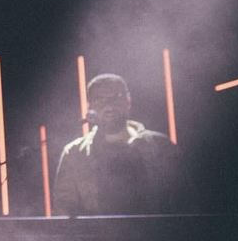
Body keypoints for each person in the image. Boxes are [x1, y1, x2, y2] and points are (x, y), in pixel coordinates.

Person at [53, 73, 176, 216]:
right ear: (90, 106)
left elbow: (183, 201)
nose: (108, 106)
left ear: (128, 101)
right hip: (99, 238)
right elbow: (64, 213)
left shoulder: (160, 146)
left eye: (115, 97)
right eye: (100, 100)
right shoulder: (74, 154)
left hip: (157, 236)